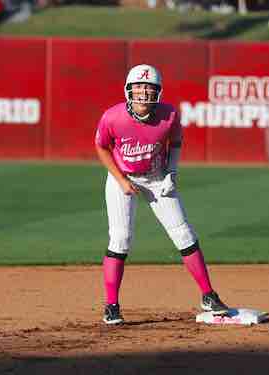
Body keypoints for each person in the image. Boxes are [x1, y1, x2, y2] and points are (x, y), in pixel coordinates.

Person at [95, 64, 229, 325]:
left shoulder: (168, 115)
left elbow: (176, 141)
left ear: (158, 92)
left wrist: (172, 172)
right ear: (128, 90)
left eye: (149, 87)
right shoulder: (113, 117)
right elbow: (101, 147)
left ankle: (208, 296)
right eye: (139, 87)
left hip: (157, 177)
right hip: (124, 177)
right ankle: (111, 305)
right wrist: (121, 180)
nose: (143, 92)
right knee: (121, 238)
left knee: (184, 233)